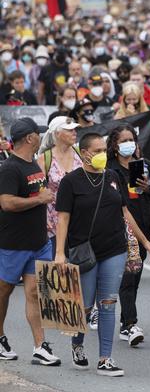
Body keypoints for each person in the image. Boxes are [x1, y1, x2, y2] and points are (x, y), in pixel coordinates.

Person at [54, 132, 150, 377]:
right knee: (87, 307)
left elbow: (125, 212)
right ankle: (77, 344)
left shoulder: (112, 177)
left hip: (114, 250)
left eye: (103, 149)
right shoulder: (71, 182)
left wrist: (145, 240)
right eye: (97, 150)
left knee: (108, 303)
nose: (102, 154)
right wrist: (59, 253)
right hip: (84, 252)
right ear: (85, 152)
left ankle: (105, 359)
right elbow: (63, 220)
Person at [0, 118, 61, 365]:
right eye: (38, 133)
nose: (41, 137)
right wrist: (39, 200)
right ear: (29, 138)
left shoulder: (34, 164)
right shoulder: (8, 168)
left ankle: (40, 346)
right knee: (3, 292)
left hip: (38, 242)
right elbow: (6, 203)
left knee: (36, 293)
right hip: (12, 244)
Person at [106, 125, 150, 346]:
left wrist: (148, 188)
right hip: (119, 229)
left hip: (145, 229)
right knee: (128, 276)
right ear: (114, 145)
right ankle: (130, 324)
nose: (128, 144)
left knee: (135, 275)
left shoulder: (145, 166)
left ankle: (125, 323)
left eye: (131, 139)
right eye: (123, 140)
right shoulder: (110, 169)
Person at [37, 116, 83, 258]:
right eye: (69, 130)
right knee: (58, 272)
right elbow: (39, 193)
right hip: (54, 225)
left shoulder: (80, 153)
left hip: (80, 221)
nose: (74, 132)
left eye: (75, 129)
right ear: (57, 133)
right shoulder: (44, 159)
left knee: (83, 267)